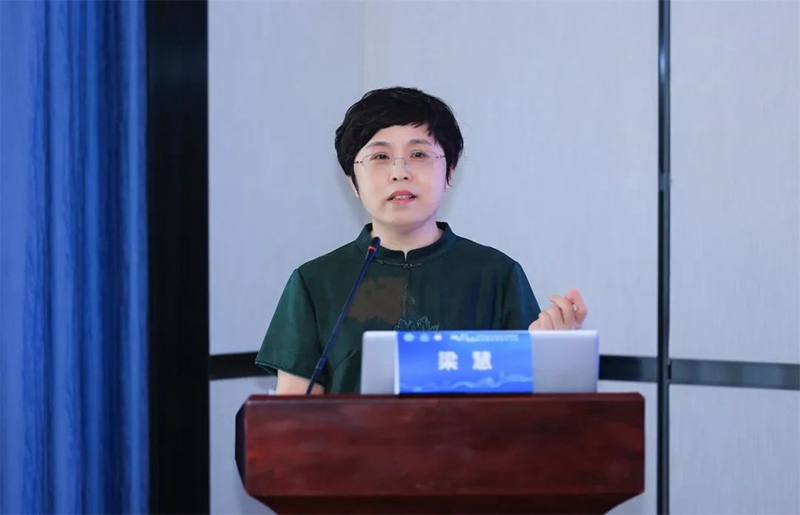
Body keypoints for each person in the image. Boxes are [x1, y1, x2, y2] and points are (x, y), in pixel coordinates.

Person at [255, 86, 588, 394]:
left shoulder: (497, 274)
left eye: (419, 154)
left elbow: (528, 411)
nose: (400, 172)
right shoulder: (315, 283)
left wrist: (553, 359)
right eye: (380, 157)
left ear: (450, 172)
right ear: (353, 182)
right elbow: (293, 420)